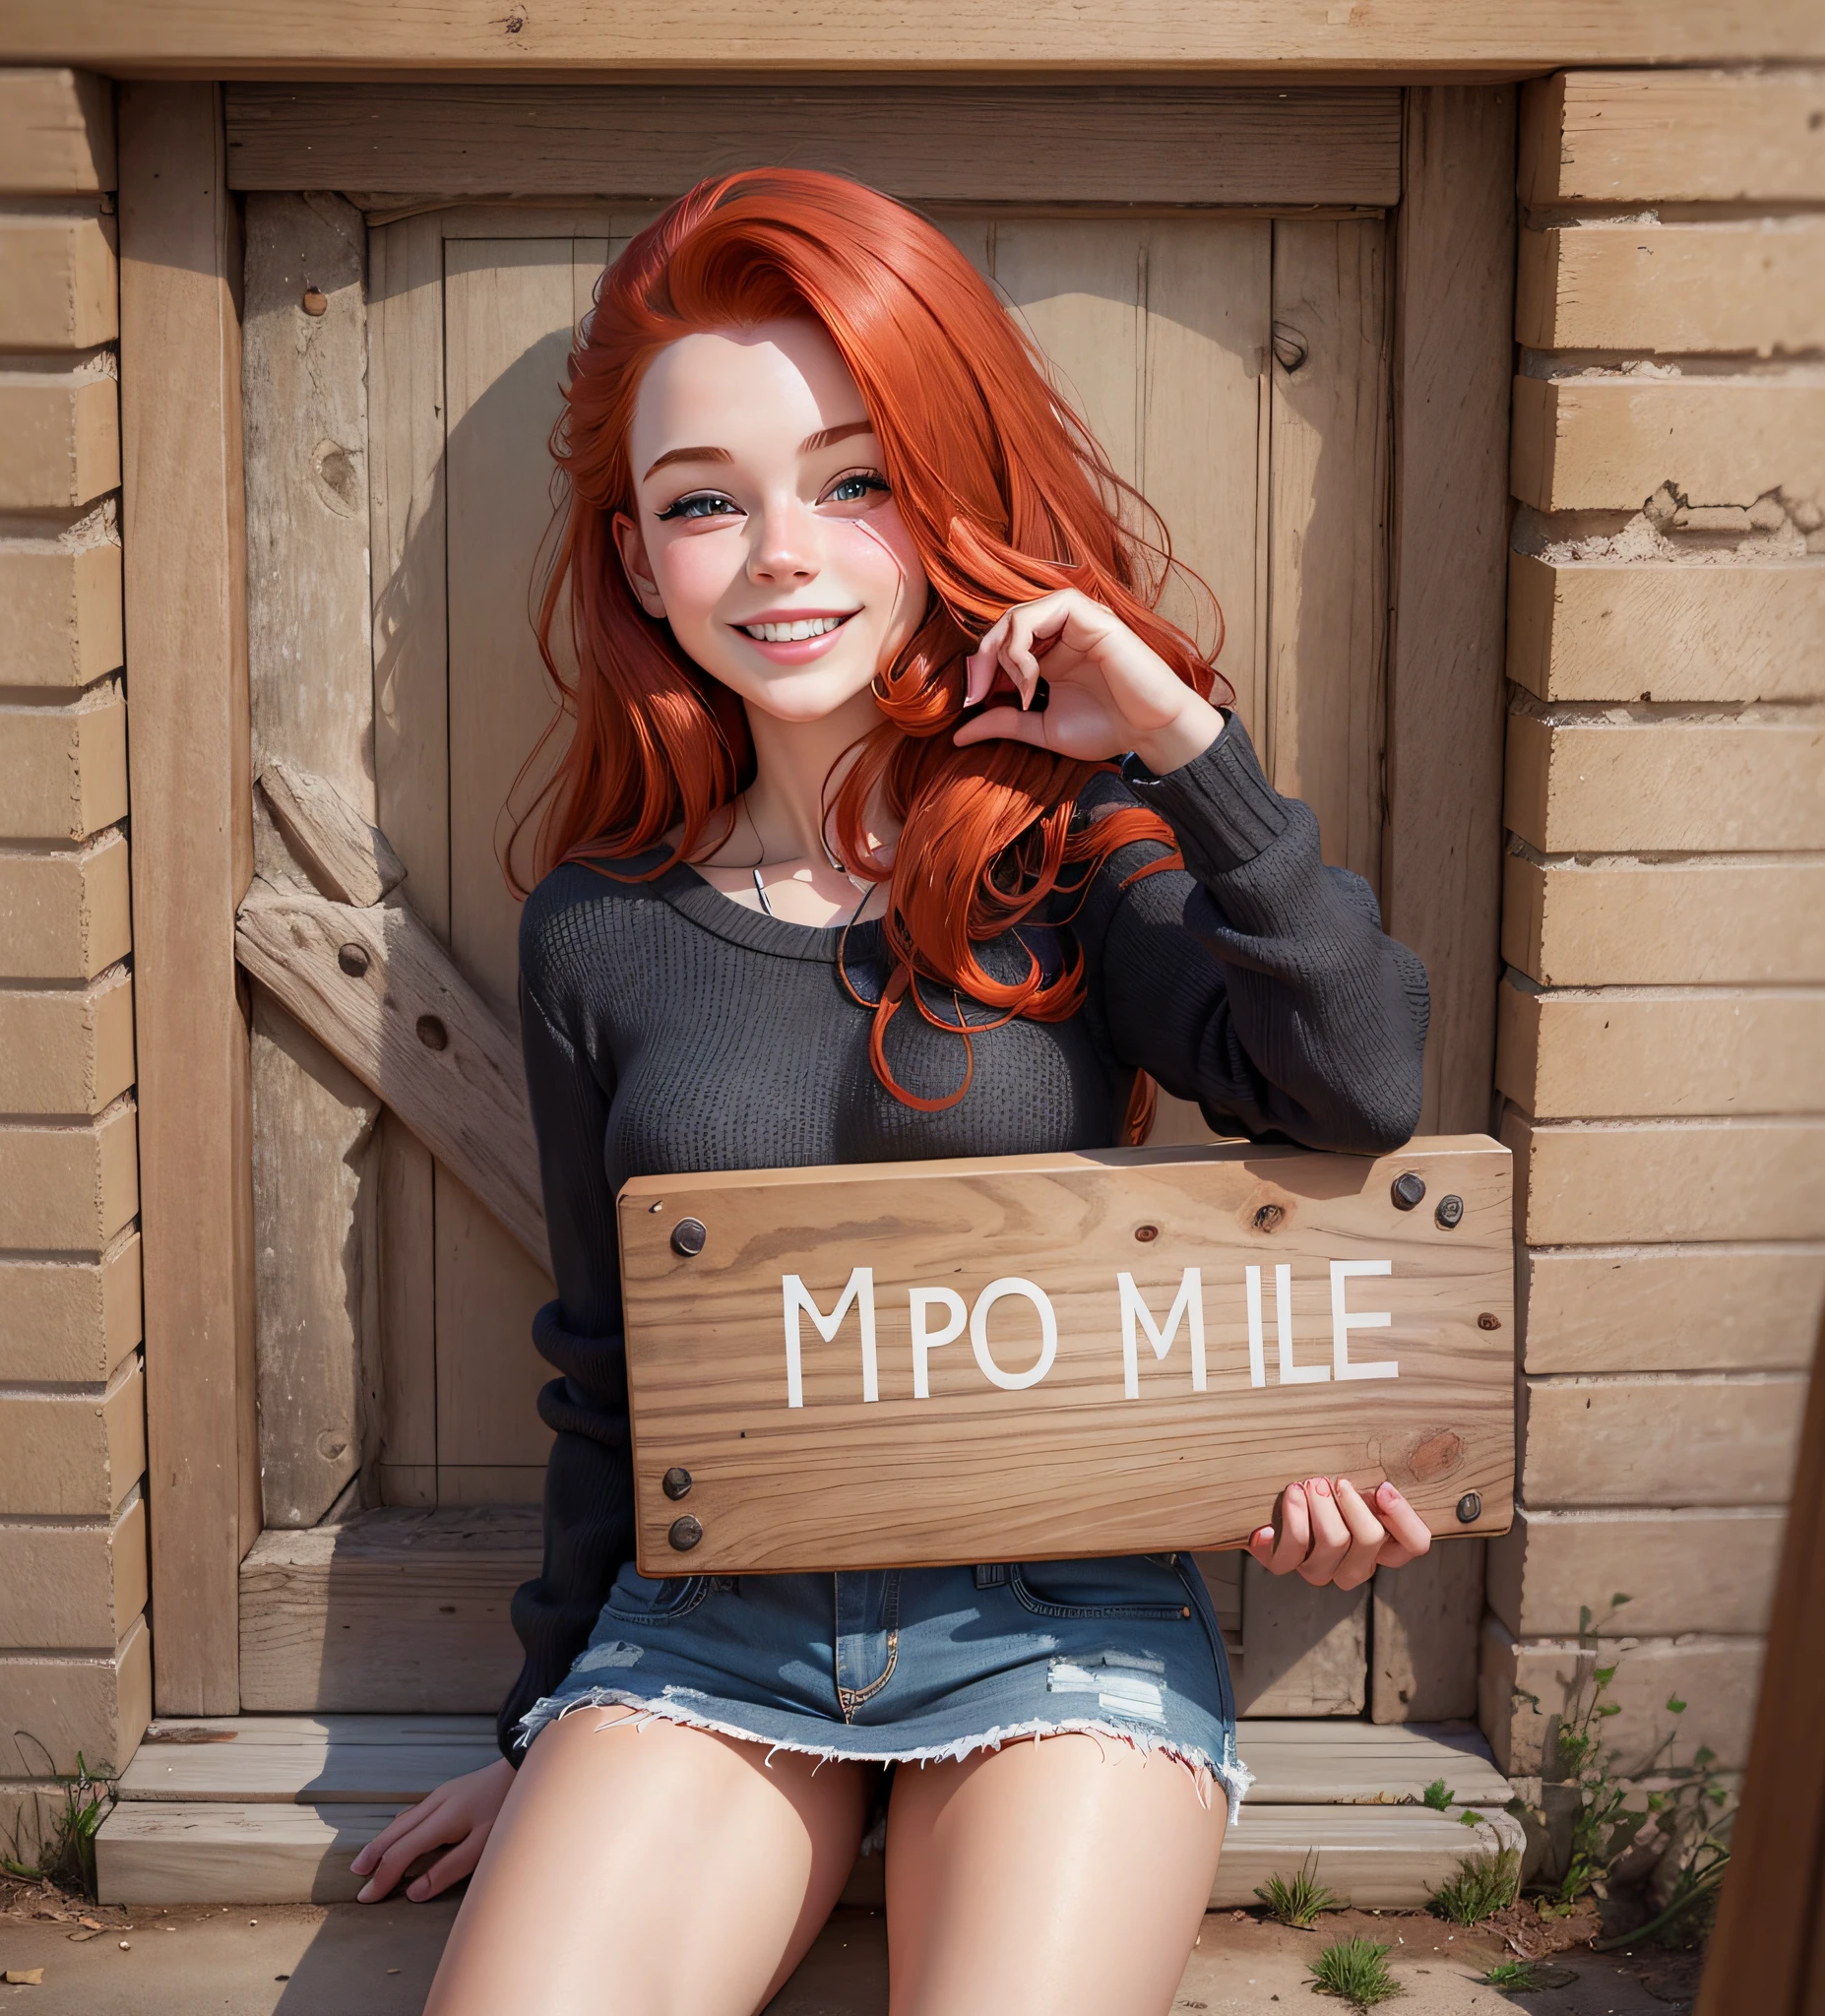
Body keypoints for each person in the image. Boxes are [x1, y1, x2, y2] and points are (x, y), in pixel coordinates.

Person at [349, 168, 1433, 2016]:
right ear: (636, 559)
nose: (783, 553)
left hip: (1062, 1628)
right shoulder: (594, 935)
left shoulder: (1076, 853)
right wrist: (547, 1733)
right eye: (708, 504)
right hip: (706, 1642)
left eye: (854, 482)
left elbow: (1360, 1079)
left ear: (942, 504)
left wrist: (1183, 744)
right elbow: (612, 1370)